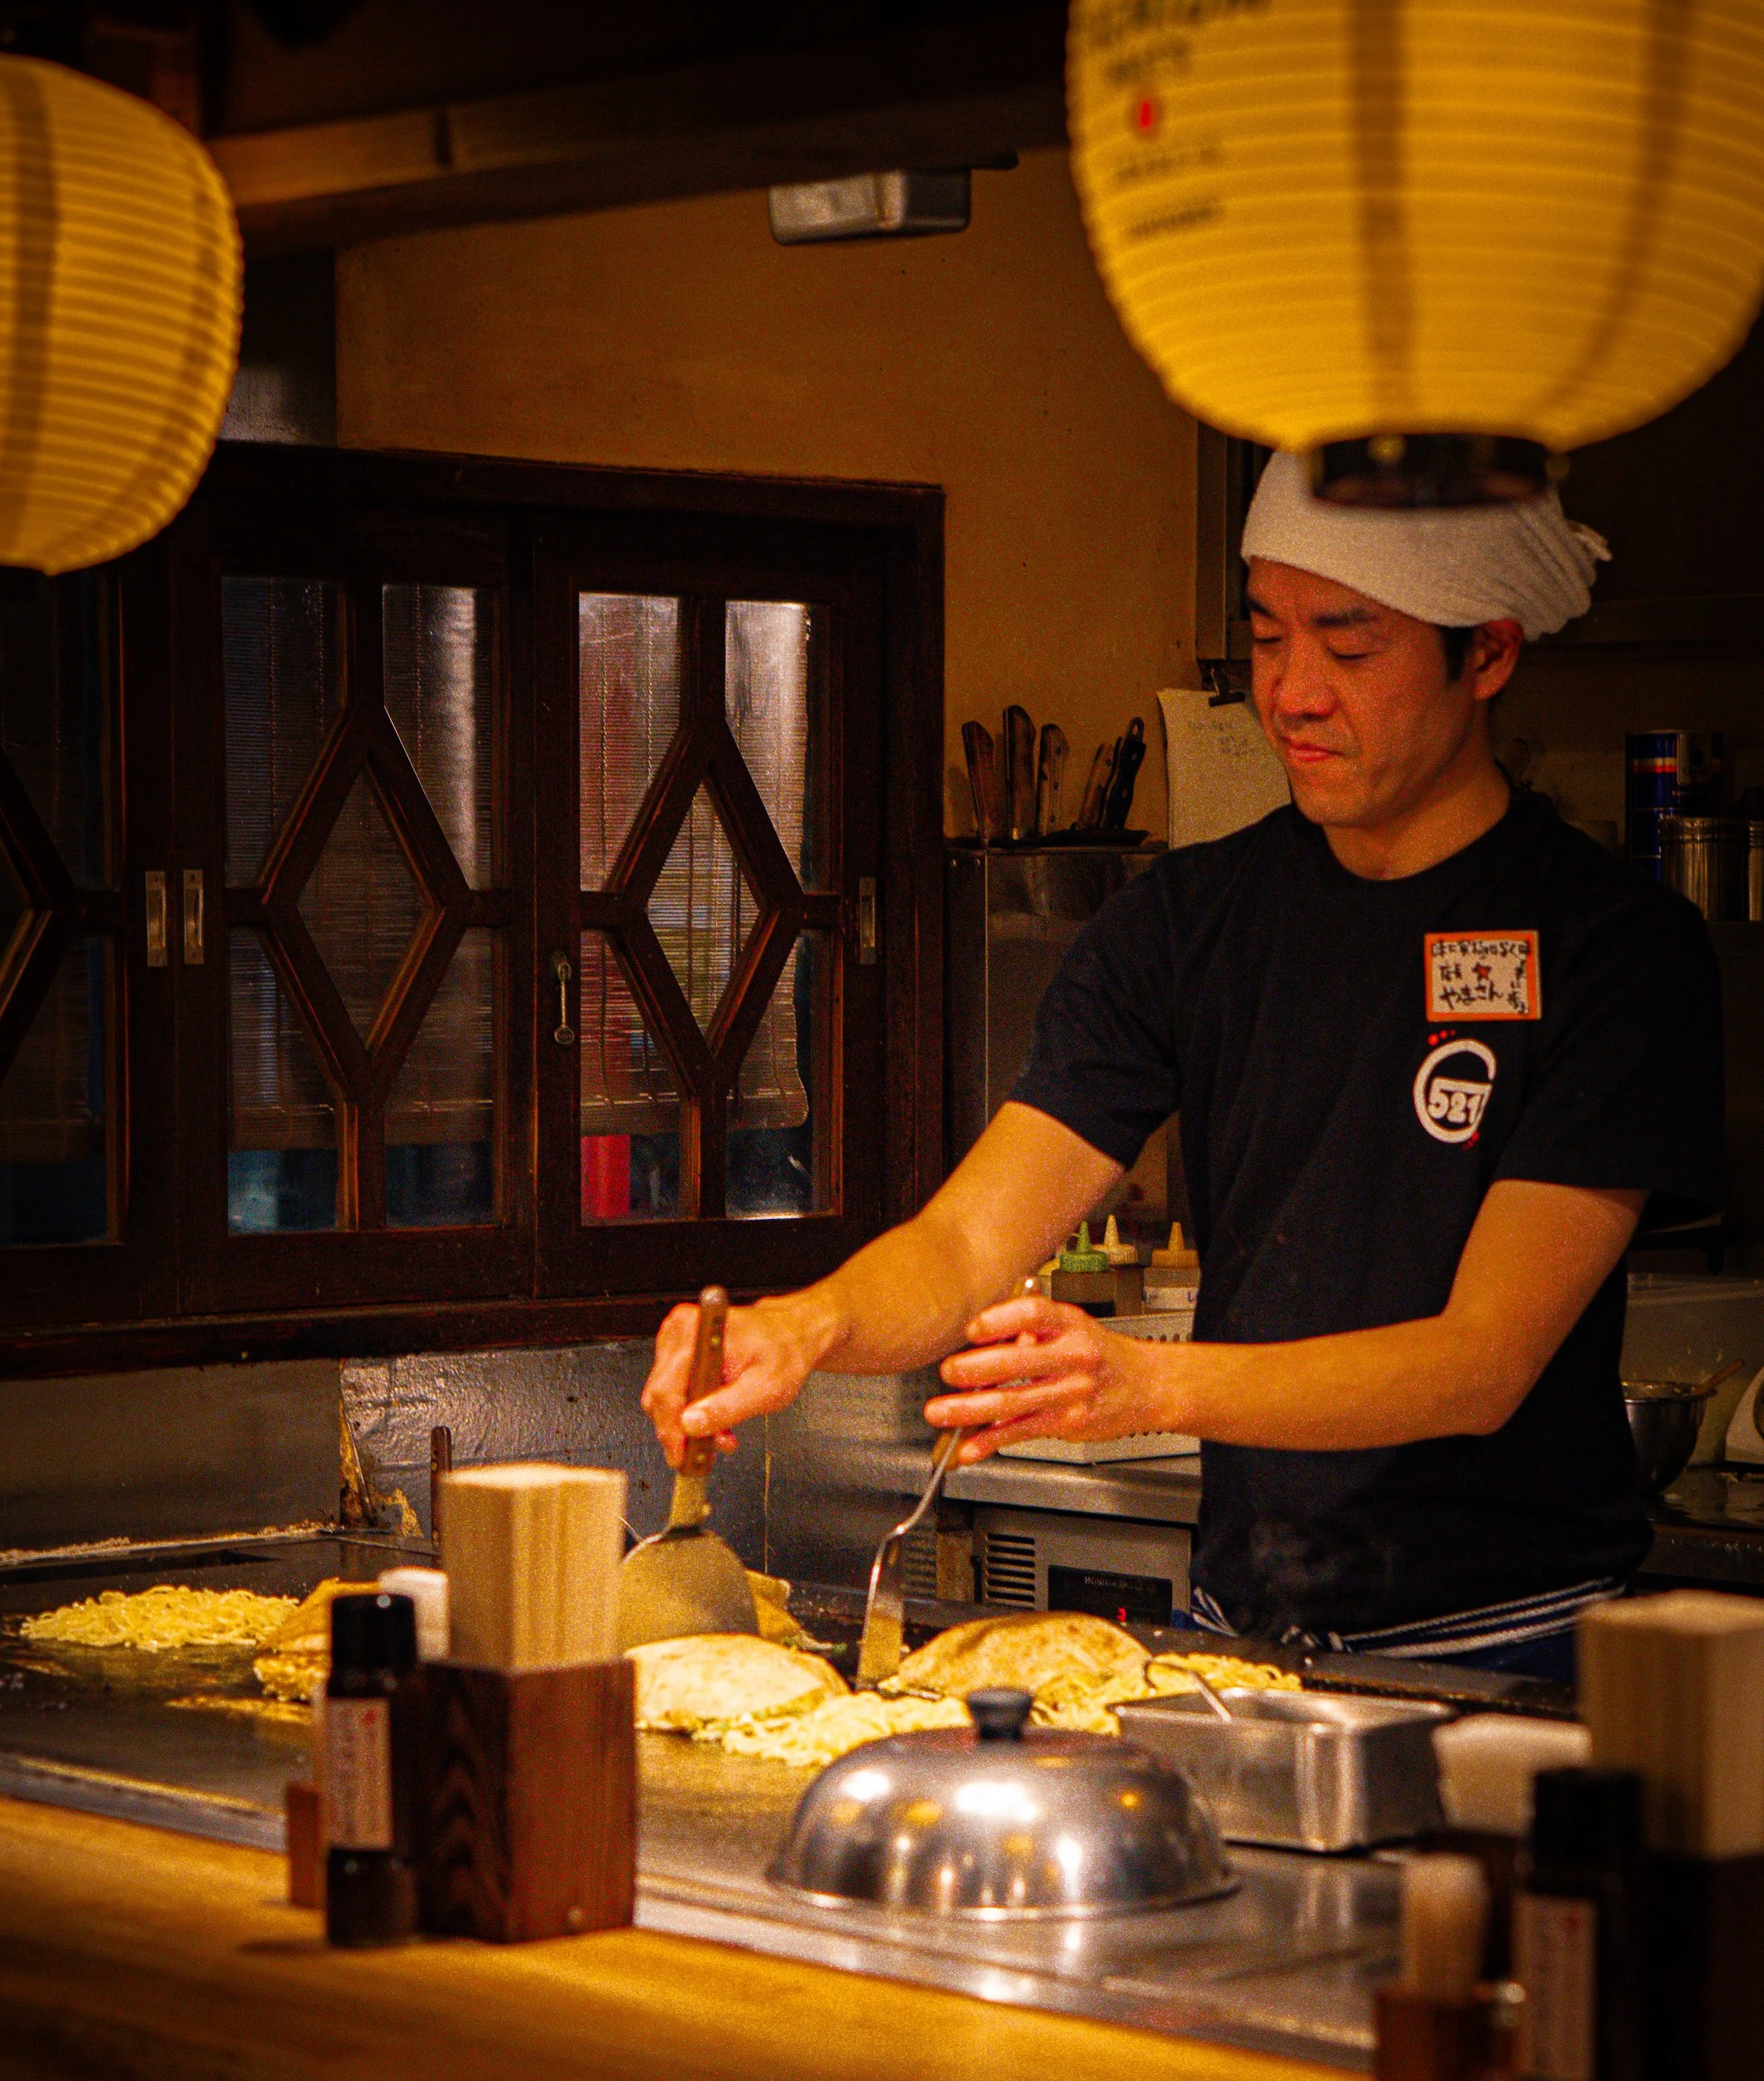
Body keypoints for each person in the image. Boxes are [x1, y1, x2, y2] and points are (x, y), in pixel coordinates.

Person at [642, 453, 1721, 1677]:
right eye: (1268, 639)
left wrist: (1150, 1385)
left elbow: (1481, 1360)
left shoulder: (1613, 947)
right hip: (1242, 1648)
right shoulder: (1191, 920)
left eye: (1349, 648)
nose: (1294, 693)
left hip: (1519, 1647)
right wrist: (803, 1326)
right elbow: (963, 1245)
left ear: (1489, 656)